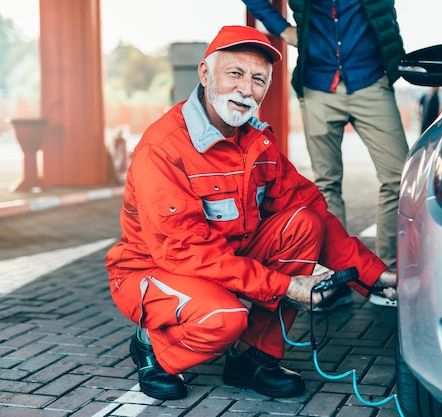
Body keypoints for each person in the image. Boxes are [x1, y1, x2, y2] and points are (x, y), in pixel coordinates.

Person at [105, 25, 397, 402]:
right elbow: (184, 250)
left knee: (304, 222)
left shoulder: (257, 141)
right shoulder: (164, 148)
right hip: (154, 268)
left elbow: (310, 210)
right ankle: (155, 349)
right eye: (235, 74)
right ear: (205, 74)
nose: (247, 88)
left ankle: (252, 358)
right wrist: (286, 286)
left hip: (224, 261)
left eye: (259, 79)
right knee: (223, 318)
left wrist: (375, 276)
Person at [243, 0, 409, 309]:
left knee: (399, 176)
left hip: (371, 79)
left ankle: (380, 272)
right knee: (326, 185)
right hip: (318, 83)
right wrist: (281, 29)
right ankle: (340, 279)